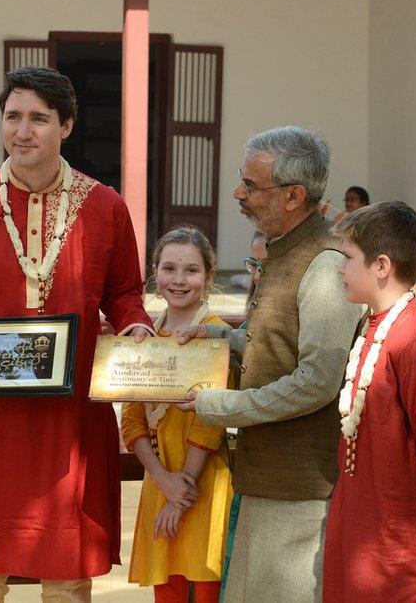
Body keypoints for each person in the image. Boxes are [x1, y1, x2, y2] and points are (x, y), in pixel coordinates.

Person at [0, 66, 154, 601]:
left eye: (38, 119)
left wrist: (135, 327)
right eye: (12, 117)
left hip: (68, 412)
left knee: (66, 570)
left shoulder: (106, 208)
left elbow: (124, 293)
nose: (22, 131)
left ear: (66, 126)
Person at [176, 126, 366, 602]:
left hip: (298, 485)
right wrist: (223, 338)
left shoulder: (323, 267)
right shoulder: (287, 250)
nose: (239, 194)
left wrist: (219, 407)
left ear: (293, 195)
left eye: (251, 185)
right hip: (265, 474)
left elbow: (316, 382)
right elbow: (280, 343)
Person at [323, 201, 416, 602]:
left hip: (398, 547)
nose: (341, 268)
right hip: (366, 532)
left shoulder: (414, 339)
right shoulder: (379, 328)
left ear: (382, 266)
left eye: (349, 258)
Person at [120, 226, 232, 603]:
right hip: (160, 477)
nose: (179, 280)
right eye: (169, 268)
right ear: (155, 272)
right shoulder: (144, 336)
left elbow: (209, 421)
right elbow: (132, 419)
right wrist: (162, 480)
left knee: (204, 588)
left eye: (191, 270)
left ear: (209, 276)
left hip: (203, 482)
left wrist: (179, 494)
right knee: (167, 590)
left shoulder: (216, 334)